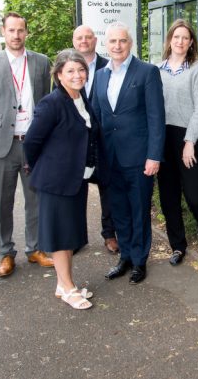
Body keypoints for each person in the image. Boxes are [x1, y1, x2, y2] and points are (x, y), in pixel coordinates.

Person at [0, 12, 54, 277]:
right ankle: (5, 253)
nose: (16, 35)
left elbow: (46, 102)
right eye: (11, 30)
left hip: (33, 144)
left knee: (35, 200)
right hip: (4, 146)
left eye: (21, 30)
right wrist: (0, 129)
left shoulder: (42, 63)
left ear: (26, 32)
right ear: (4, 32)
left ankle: (35, 249)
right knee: (3, 202)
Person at [24, 50, 101, 310]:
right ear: (59, 75)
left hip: (76, 179)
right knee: (60, 236)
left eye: (81, 70)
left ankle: (62, 284)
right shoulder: (52, 103)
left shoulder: (80, 98)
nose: (77, 75)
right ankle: (68, 288)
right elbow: (32, 142)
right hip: (56, 182)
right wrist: (44, 169)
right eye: (70, 71)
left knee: (68, 234)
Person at [92, 22, 165, 285]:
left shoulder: (146, 72)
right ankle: (124, 256)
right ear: (106, 45)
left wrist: (154, 156)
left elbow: (156, 117)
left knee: (139, 210)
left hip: (139, 158)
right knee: (119, 210)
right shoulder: (100, 75)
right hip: (110, 158)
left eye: (122, 41)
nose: (117, 46)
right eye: (112, 42)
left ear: (130, 43)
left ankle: (139, 260)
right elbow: (98, 116)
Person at [157, 19, 198, 266]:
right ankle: (177, 246)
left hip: (187, 137)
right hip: (162, 139)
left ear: (191, 42)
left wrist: (190, 141)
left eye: (185, 38)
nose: (180, 41)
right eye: (176, 37)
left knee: (194, 196)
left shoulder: (197, 69)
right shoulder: (157, 69)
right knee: (168, 197)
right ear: (170, 39)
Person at [72, 24, 117, 254]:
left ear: (95, 41)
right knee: (76, 190)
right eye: (79, 37)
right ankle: (77, 237)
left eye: (88, 37)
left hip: (103, 139)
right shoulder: (66, 67)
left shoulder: (107, 66)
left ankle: (109, 234)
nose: (84, 41)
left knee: (107, 188)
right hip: (76, 142)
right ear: (74, 41)